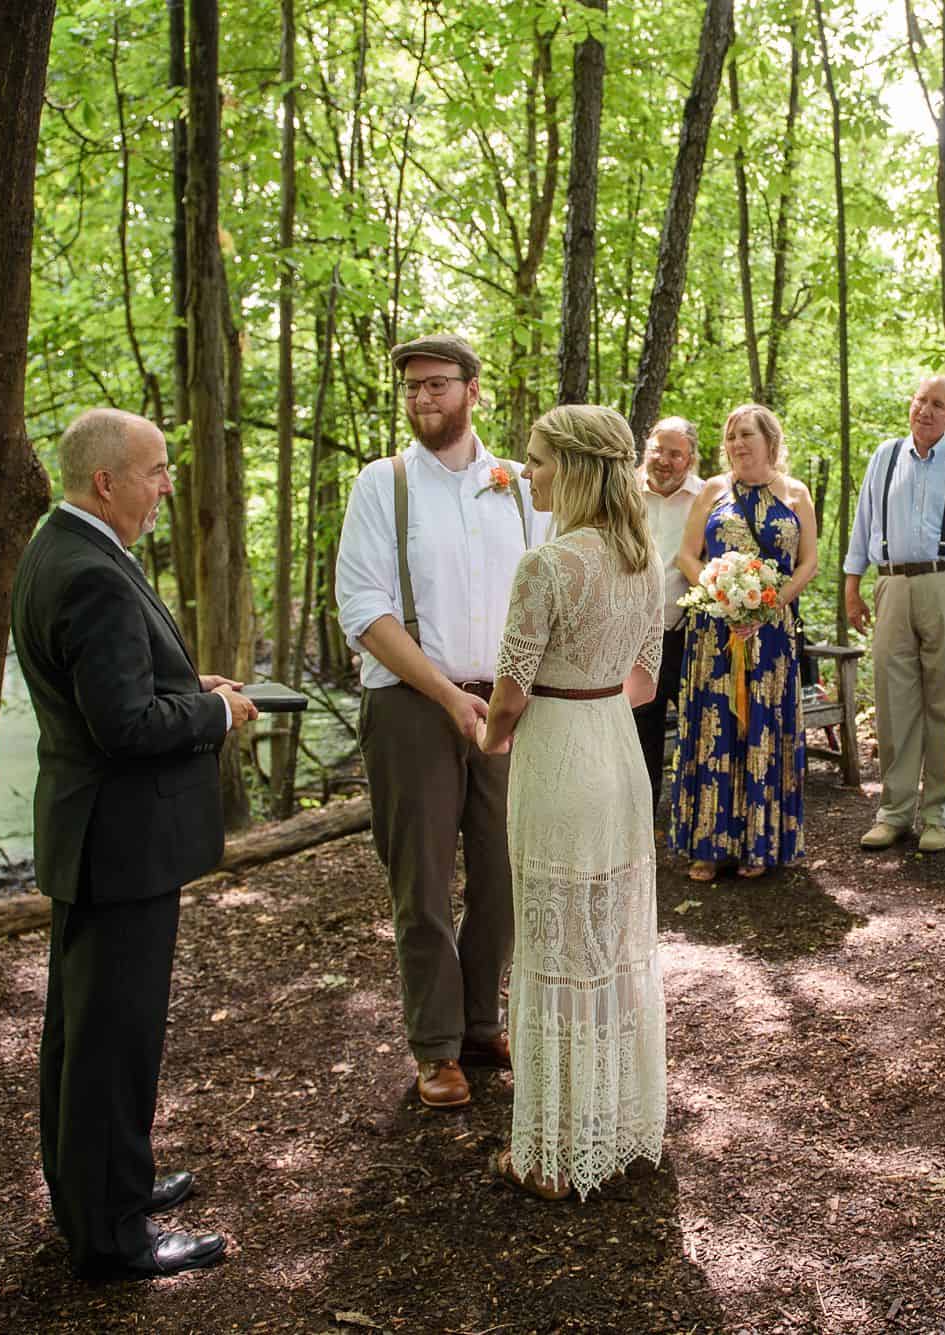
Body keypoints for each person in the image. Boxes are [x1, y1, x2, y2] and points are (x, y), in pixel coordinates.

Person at [12, 407, 260, 1280]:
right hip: (119, 842)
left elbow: (109, 684)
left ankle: (99, 1185)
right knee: (112, 1042)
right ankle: (112, 1234)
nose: (165, 487)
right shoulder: (92, 574)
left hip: (93, 834)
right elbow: (121, 725)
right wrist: (217, 711)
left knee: (82, 1032)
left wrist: (186, 682)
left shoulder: (61, 545)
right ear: (106, 481)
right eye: (155, 472)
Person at [334, 333, 548, 1111]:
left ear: (472, 390)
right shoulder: (379, 486)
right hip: (409, 707)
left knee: (504, 871)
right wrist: (446, 695)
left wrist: (518, 695)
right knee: (420, 881)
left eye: (438, 385)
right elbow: (364, 609)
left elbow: (548, 595)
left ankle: (481, 1019)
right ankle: (434, 1044)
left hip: (508, 703)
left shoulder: (523, 486)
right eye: (413, 388)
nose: (424, 399)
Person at [477, 404, 668, 1201]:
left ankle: (550, 1153)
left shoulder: (547, 564)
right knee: (608, 941)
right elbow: (646, 682)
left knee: (554, 946)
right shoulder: (643, 558)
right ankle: (613, 1129)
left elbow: (511, 694)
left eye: (540, 460)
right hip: (617, 752)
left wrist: (488, 739)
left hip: (557, 754)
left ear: (580, 469)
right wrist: (594, 705)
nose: (530, 472)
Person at [842, 376, 945, 853]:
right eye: (921, 401)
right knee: (894, 703)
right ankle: (893, 812)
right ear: (910, 404)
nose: (926, 411)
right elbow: (864, 524)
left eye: (938, 405)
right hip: (892, 583)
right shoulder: (885, 456)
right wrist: (853, 589)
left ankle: (940, 815)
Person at [668, 404, 819, 881]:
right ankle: (707, 846)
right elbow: (687, 556)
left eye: (746, 435)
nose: (736, 444)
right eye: (731, 436)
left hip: (771, 635)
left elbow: (808, 563)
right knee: (714, 731)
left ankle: (760, 842)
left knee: (762, 728)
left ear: (770, 440)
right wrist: (720, 593)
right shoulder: (713, 490)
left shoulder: (796, 495)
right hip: (716, 633)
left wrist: (770, 605)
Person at [632, 416, 706, 809]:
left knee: (697, 725)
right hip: (634, 636)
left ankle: (694, 816)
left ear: (690, 458)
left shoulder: (707, 498)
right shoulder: (624, 491)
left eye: (675, 454)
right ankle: (642, 816)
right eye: (658, 450)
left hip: (686, 634)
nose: (664, 460)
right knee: (640, 728)